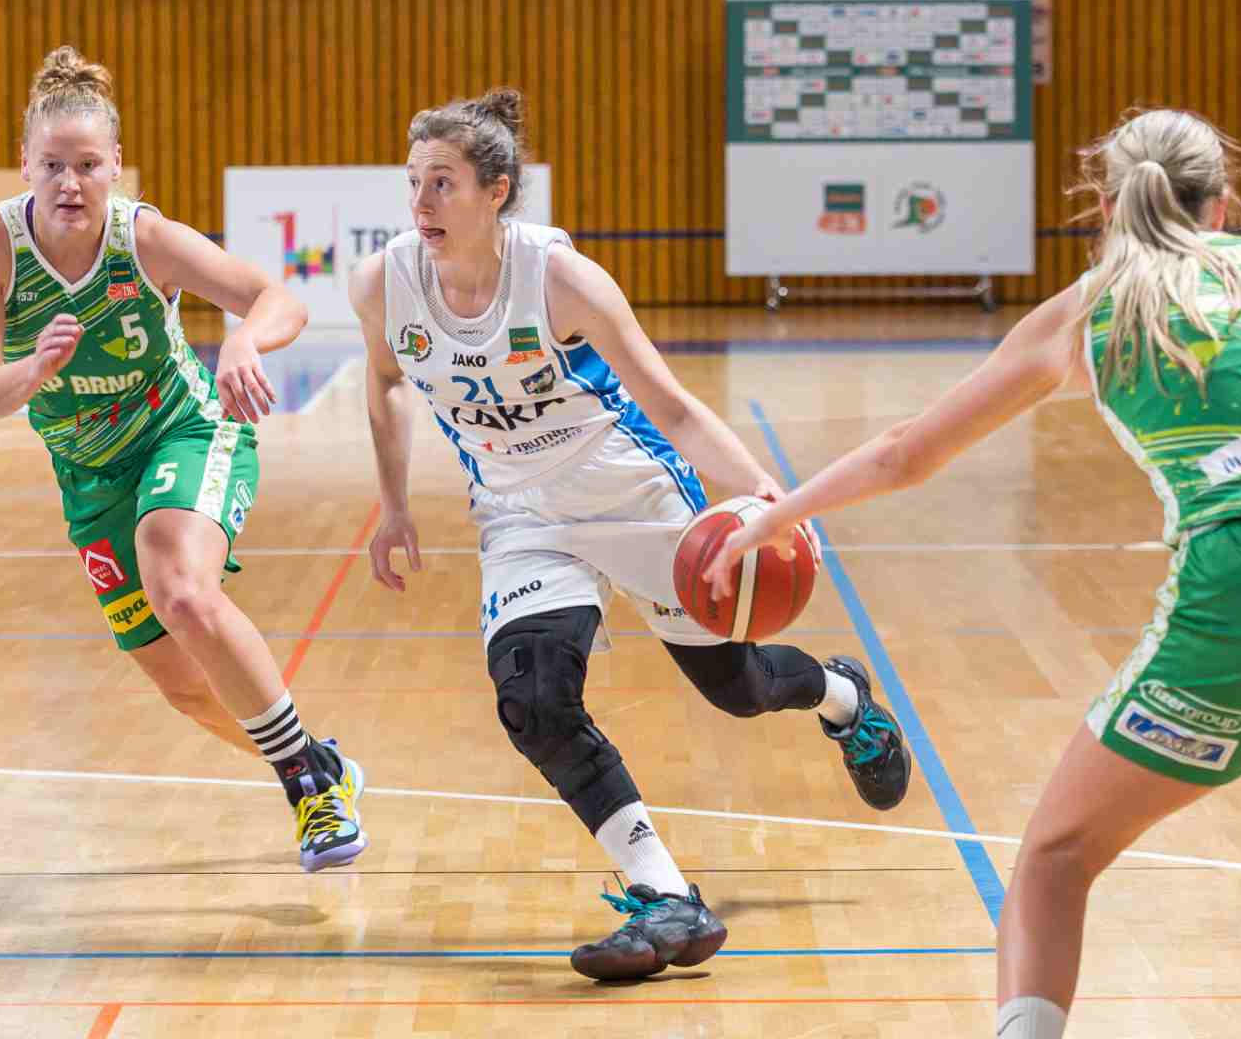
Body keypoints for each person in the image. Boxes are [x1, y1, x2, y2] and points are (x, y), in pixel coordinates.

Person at [702, 108, 1241, 1038]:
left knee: (1055, 860)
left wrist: (771, 519)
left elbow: (905, 453)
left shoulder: (1091, 308)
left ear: (1105, 206)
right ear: (1221, 206)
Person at [349, 88, 913, 980]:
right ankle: (666, 895)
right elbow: (384, 380)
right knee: (533, 701)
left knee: (740, 690)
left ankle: (842, 696)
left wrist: (770, 501)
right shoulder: (385, 282)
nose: (421, 203)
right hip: (521, 516)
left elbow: (676, 409)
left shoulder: (560, 278)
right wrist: (394, 504)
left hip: (634, 495)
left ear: (497, 191)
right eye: (414, 182)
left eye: (443, 183)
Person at [0, 46, 367, 871]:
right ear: (23, 164)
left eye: (87, 165)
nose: (70, 183)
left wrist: (244, 340)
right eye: (53, 165)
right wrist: (33, 371)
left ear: (116, 165)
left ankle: (309, 790)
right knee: (183, 687)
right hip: (87, 475)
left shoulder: (144, 238)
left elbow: (279, 297)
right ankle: (316, 761)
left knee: (178, 584)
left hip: (185, 431)